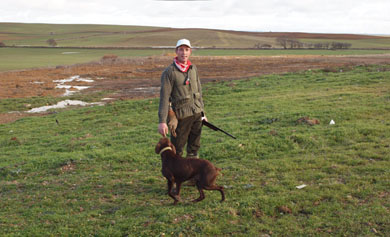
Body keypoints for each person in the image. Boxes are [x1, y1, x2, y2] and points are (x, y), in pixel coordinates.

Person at [158, 39, 207, 158]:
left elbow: (199, 92)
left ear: (190, 52)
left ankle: (192, 174)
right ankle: (177, 175)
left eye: (186, 50)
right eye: (181, 50)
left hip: (196, 114)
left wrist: (203, 114)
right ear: (176, 51)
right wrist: (162, 122)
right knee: (177, 150)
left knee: (194, 148)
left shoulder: (193, 69)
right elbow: (164, 98)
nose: (184, 53)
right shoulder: (169, 72)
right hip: (181, 117)